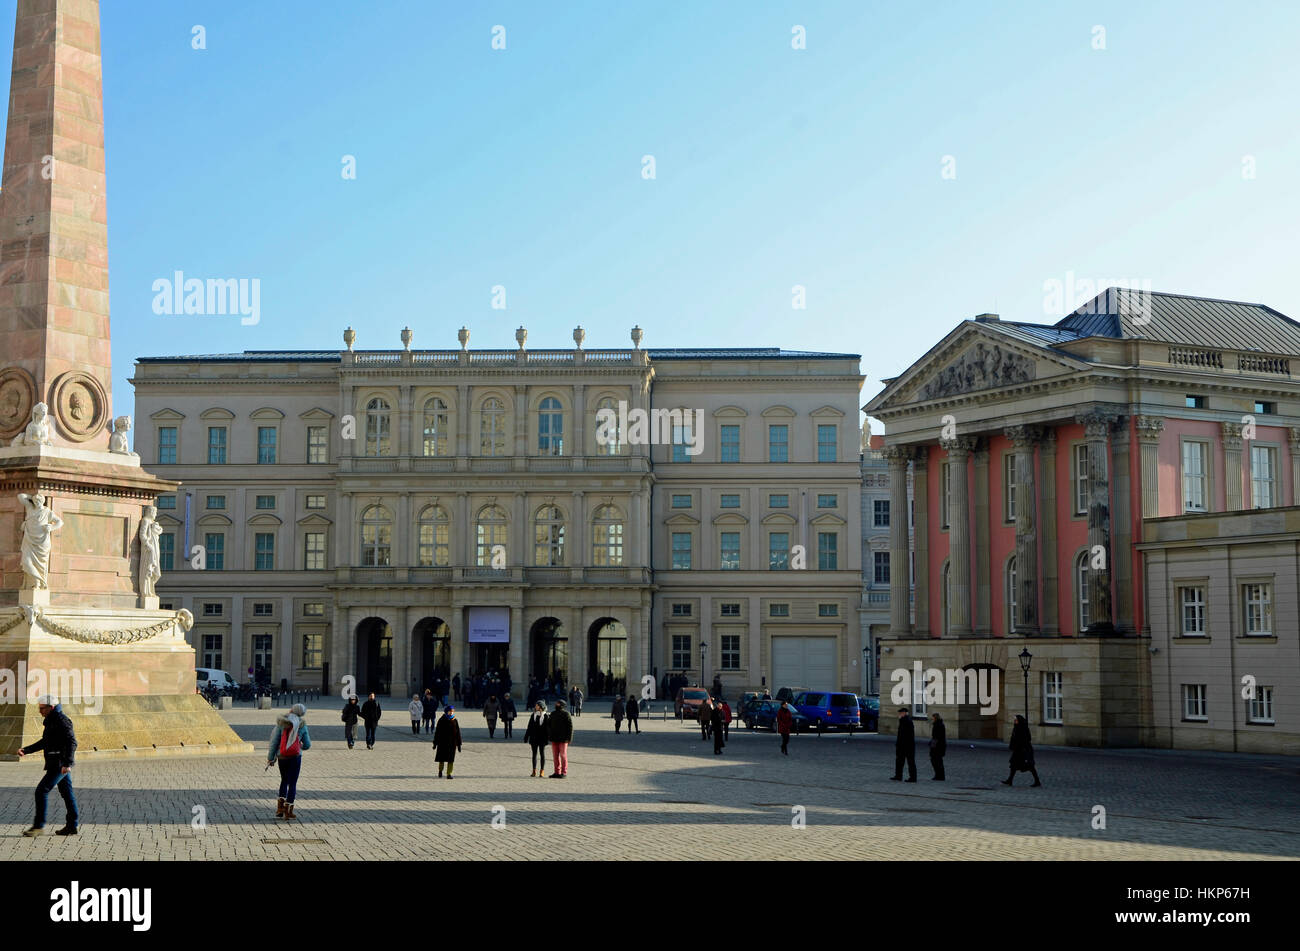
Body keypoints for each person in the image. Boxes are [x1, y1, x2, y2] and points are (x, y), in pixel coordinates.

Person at [17, 694, 78, 836]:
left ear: (51, 707)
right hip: (56, 762)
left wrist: (67, 763)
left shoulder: (62, 721)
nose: (40, 711)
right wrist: (26, 750)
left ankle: (38, 826)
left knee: (41, 791)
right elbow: (45, 742)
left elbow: (72, 742)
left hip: (60, 764)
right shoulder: (51, 720)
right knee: (67, 794)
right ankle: (72, 826)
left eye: (42, 708)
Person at [267, 703, 311, 820]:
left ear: (292, 710)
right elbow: (307, 745)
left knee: (284, 780)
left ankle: (280, 808)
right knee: (293, 783)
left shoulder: (282, 723)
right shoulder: (302, 725)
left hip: (282, 756)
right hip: (295, 757)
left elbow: (274, 742)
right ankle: (288, 810)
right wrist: (300, 746)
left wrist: (271, 758)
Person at [1003, 714, 1042, 787]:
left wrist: (1021, 745)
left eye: (1016, 720)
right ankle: (1010, 780)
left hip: (1024, 750)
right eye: (1014, 720)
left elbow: (1027, 738)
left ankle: (1037, 781)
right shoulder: (1016, 727)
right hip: (1018, 750)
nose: (1015, 721)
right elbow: (1013, 738)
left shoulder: (1023, 728)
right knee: (1013, 765)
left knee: (1030, 766)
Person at [433, 705, 463, 778]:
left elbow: (458, 732)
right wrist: (435, 743)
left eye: (452, 711)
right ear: (446, 712)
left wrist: (459, 744)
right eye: (450, 711)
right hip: (442, 743)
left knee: (451, 760)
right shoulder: (442, 720)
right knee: (442, 759)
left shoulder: (454, 720)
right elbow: (437, 732)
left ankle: (449, 774)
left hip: (452, 743)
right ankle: (440, 771)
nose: (451, 713)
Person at [547, 698, 574, 778]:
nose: (556, 704)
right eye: (556, 703)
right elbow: (548, 725)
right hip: (554, 738)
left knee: (563, 755)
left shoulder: (566, 714)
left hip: (563, 739)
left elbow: (570, 727)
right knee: (555, 756)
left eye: (558, 703)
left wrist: (569, 738)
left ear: (562, 705)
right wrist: (549, 734)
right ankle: (556, 772)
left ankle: (564, 772)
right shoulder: (553, 713)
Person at [892, 707, 917, 782]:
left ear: (904, 713)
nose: (899, 714)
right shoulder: (904, 720)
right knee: (900, 761)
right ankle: (899, 776)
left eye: (900, 713)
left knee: (909, 762)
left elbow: (904, 735)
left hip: (906, 746)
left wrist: (900, 744)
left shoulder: (905, 721)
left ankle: (911, 777)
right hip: (905, 745)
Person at [524, 701, 549, 777]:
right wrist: (526, 736)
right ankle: (534, 770)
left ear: (541, 707)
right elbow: (529, 727)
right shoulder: (533, 715)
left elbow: (548, 729)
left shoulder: (546, 716)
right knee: (534, 754)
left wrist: (548, 738)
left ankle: (542, 771)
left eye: (537, 705)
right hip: (534, 738)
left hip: (542, 738)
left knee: (542, 754)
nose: (535, 706)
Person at [930, 712, 947, 781]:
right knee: (937, 761)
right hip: (939, 745)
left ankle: (939, 775)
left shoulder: (938, 725)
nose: (932, 719)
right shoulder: (939, 724)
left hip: (938, 746)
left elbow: (936, 737)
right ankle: (939, 775)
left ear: (935, 718)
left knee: (937, 761)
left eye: (933, 718)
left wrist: (932, 745)